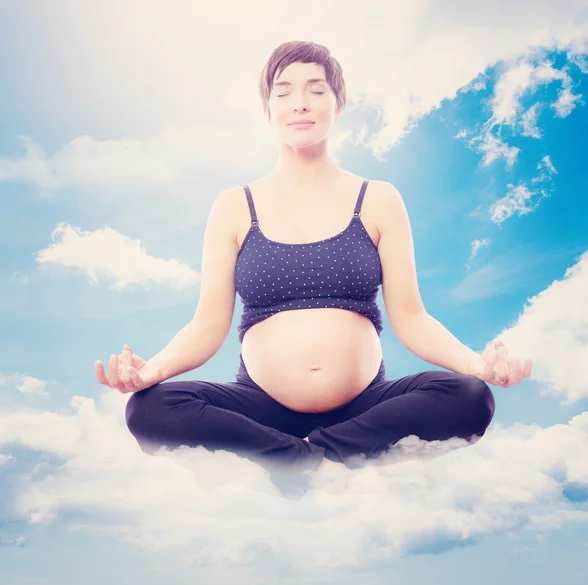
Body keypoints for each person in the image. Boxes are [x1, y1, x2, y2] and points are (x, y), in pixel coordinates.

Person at [95, 41, 518, 483]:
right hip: (260, 408)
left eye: (316, 90)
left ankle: (315, 454)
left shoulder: (377, 199)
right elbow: (207, 326)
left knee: (469, 397)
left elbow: (411, 319)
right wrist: (151, 372)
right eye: (284, 92)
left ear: (338, 102)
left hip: (364, 407)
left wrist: (476, 365)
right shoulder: (234, 206)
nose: (300, 103)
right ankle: (307, 460)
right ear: (268, 107)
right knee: (149, 409)